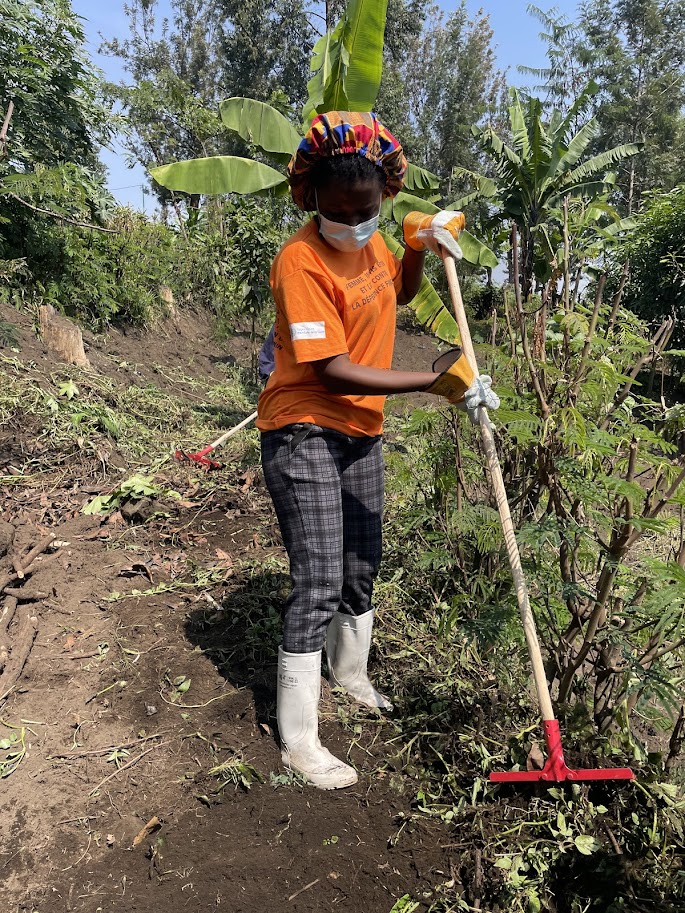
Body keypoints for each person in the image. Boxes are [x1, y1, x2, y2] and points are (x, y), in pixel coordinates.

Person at [257, 111, 499, 789]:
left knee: (362, 562)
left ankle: (352, 675)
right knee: (318, 579)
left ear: (383, 196)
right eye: (337, 211)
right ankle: (299, 739)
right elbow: (331, 369)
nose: (352, 223)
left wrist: (418, 244)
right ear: (311, 197)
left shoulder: (372, 244)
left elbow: (398, 292)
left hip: (361, 430)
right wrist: (434, 382)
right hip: (304, 426)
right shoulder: (300, 261)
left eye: (365, 210)